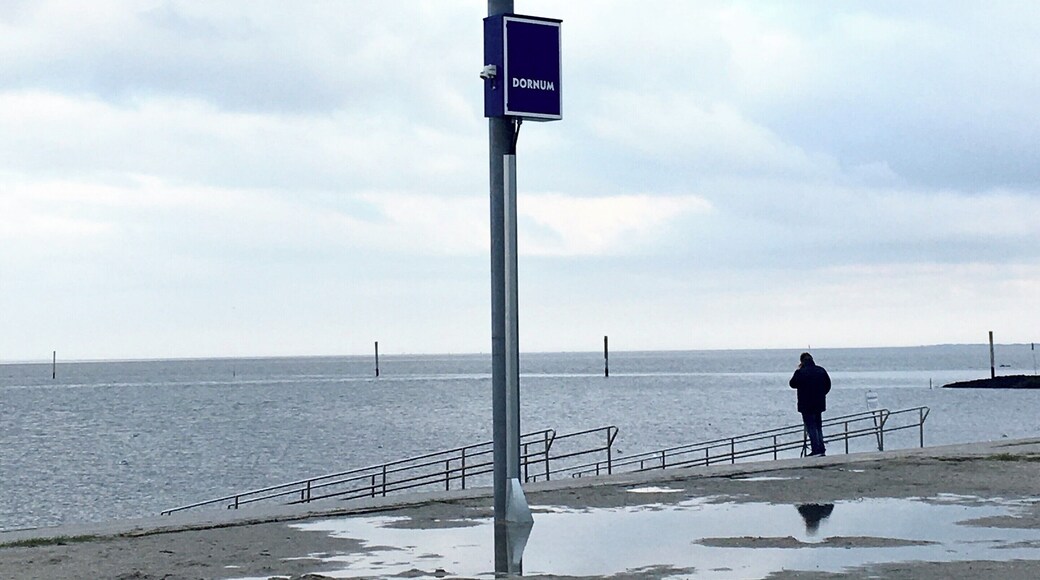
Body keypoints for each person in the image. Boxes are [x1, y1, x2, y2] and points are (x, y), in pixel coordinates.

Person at [789, 352, 831, 456]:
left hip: (806, 404)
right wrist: (821, 395)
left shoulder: (800, 372)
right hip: (819, 403)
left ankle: (816, 449)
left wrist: (799, 370)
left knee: (811, 427)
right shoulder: (821, 370)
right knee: (818, 426)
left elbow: (792, 384)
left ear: (802, 361)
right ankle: (821, 448)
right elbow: (828, 385)